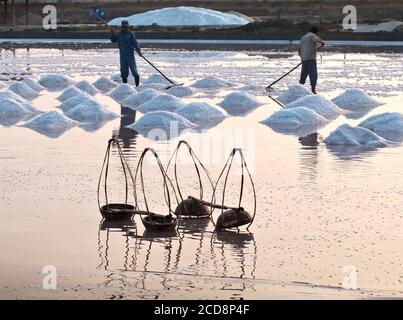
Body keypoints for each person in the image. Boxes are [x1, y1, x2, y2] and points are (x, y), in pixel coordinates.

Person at [110, 20, 142, 86]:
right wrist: (112, 33)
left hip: (130, 55)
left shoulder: (131, 34)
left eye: (126, 27)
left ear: (128, 27)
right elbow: (113, 40)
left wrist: (138, 50)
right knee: (124, 71)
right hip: (122, 55)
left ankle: (137, 86)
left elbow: (135, 43)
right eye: (123, 27)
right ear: (121, 27)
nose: (125, 28)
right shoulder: (118, 34)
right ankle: (125, 86)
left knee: (134, 70)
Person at [298, 26, 325, 94]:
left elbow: (299, 48)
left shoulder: (303, 37)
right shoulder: (312, 36)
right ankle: (313, 90)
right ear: (316, 32)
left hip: (304, 58)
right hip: (311, 59)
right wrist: (322, 42)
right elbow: (318, 40)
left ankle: (300, 87)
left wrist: (302, 57)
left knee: (304, 73)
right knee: (313, 73)